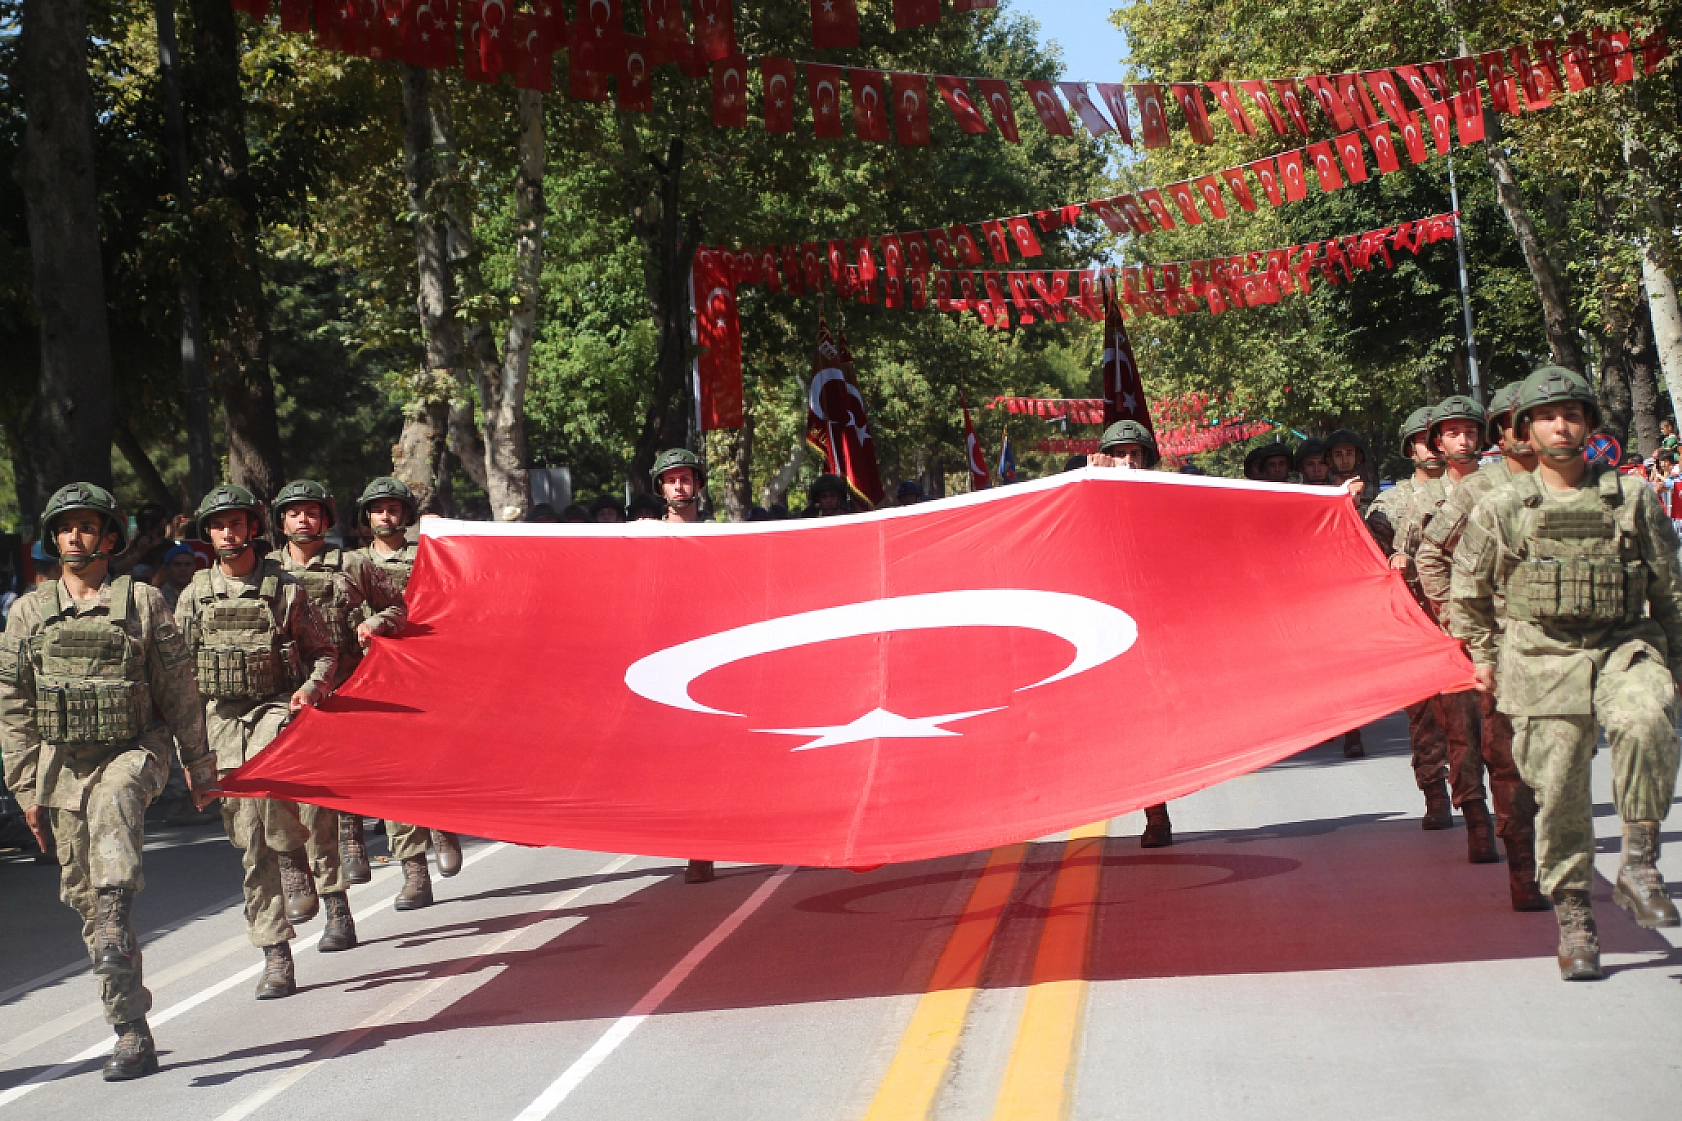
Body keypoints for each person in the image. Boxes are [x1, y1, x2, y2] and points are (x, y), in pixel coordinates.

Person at [1452, 366, 1681, 979]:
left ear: (1588, 425)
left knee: (1646, 718)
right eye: (1549, 415)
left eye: (1573, 414)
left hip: (1623, 646)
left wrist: (1677, 666)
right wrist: (1482, 658)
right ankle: (1575, 912)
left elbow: (1670, 592)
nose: (1562, 425)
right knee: (1558, 792)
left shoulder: (1632, 498)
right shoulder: (1501, 506)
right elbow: (1467, 595)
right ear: (1525, 429)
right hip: (1541, 659)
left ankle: (1638, 860)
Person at [1, 483, 218, 1079]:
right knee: (85, 906)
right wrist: (26, 792)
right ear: (53, 537)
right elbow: (14, 707)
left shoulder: (144, 602)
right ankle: (130, 1031)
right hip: (62, 768)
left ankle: (118, 906)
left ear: (110, 536)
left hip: (134, 750)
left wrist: (200, 766)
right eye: (65, 527)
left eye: (87, 526)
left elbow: (178, 689)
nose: (75, 536)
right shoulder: (27, 612)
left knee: (117, 804)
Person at [176, 485, 340, 998]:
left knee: (271, 791)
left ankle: (294, 856)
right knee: (249, 844)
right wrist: (189, 753)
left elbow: (325, 655)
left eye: (238, 522)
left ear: (253, 528)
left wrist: (310, 690)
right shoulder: (193, 595)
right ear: (208, 533)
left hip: (274, 708)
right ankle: (275, 954)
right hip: (219, 724)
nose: (229, 531)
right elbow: (176, 676)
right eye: (219, 523)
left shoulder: (285, 587)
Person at [1413, 385, 1545, 910]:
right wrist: (1455, 620)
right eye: (1514, 422)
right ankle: (1488, 830)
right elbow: (1428, 556)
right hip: (1487, 639)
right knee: (1478, 737)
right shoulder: (1475, 490)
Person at [269, 480, 407, 898]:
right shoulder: (267, 570)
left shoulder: (352, 564)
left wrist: (377, 623)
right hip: (289, 690)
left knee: (354, 768)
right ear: (282, 522)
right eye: (294, 513)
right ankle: (326, 873)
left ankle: (353, 836)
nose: (303, 520)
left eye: (311, 513)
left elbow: (397, 606)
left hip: (347, 682)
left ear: (325, 520)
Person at [354, 476, 462, 907]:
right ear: (367, 516)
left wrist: (444, 532)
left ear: (406, 514)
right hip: (382, 676)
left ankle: (443, 824)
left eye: (393, 508)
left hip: (432, 672)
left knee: (436, 761)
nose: (386, 515)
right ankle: (414, 870)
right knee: (394, 775)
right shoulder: (353, 562)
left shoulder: (429, 553)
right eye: (378, 508)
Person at [1089, 420, 1176, 848]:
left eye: (1135, 454)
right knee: (1131, 726)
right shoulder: (1087, 495)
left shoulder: (1166, 499)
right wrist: (1089, 483)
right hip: (1110, 630)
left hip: (1160, 627)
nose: (1128, 461)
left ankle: (1158, 807)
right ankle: (1154, 810)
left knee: (1161, 721)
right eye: (1119, 454)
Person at [651, 449, 721, 883]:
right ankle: (699, 845)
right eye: (671, 480)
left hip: (716, 654)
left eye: (686, 479)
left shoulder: (719, 535)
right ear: (660, 488)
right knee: (686, 760)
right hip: (667, 661)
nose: (680, 486)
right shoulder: (645, 536)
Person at [1324, 429, 1371, 509]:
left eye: (1349, 454)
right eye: (1338, 455)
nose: (1345, 460)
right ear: (1329, 461)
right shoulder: (1324, 495)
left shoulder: (1374, 495)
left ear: (1359, 458)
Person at [153, 544, 200, 611]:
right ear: (168, 568)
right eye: (177, 564)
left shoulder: (201, 593)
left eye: (187, 565)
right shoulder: (159, 596)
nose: (183, 569)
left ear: (194, 567)